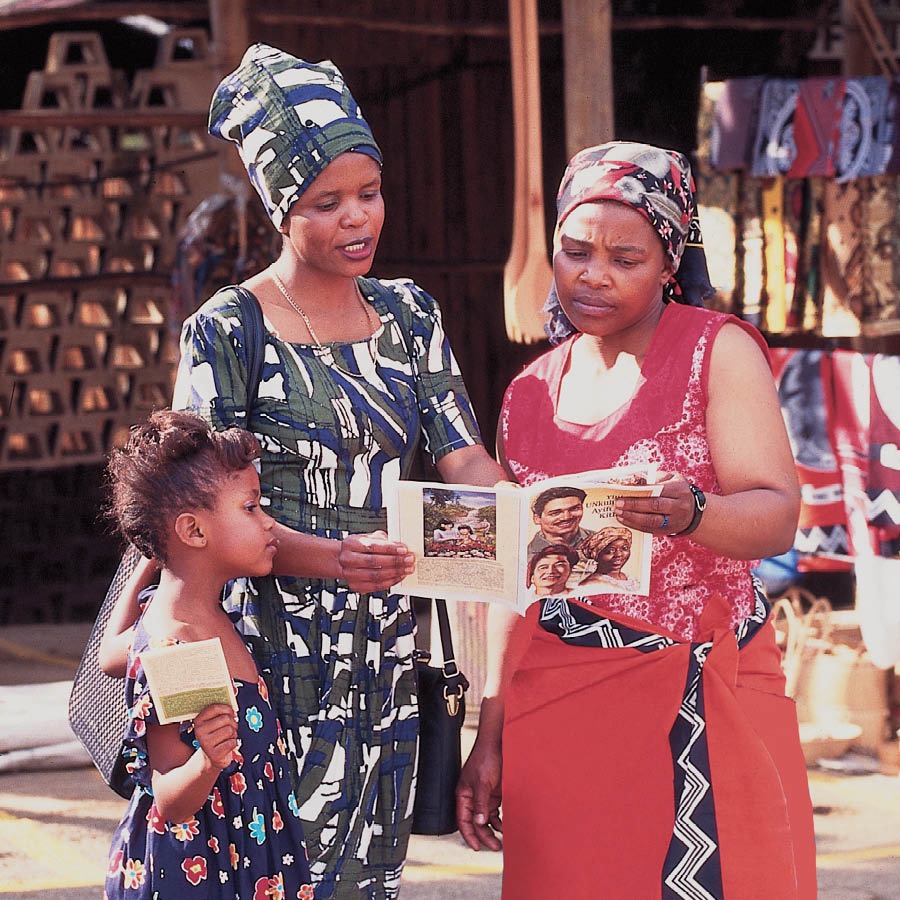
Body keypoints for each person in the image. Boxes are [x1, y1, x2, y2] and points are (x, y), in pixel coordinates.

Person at [106, 44, 505, 900]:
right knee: (267, 870)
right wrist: (333, 558)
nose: (357, 219)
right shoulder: (229, 330)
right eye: (326, 203)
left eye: (369, 194)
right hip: (266, 654)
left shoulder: (407, 314)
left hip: (384, 654)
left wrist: (534, 514)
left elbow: (461, 453)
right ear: (280, 206)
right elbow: (204, 512)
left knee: (370, 877)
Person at [456, 142, 816, 899]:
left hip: (706, 696)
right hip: (561, 707)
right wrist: (487, 737)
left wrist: (695, 513)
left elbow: (779, 517)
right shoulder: (528, 395)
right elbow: (516, 581)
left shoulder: (715, 352)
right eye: (575, 250)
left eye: (626, 257)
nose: (594, 274)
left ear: (667, 264)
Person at [103, 409, 314, 900]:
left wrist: (149, 556)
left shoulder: (195, 610)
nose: (268, 524)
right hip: (206, 873)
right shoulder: (177, 644)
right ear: (194, 532)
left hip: (244, 855)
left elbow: (113, 655)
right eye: (251, 508)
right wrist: (207, 763)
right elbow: (171, 800)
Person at [526, 485, 592, 554]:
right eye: (555, 513)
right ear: (537, 519)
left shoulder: (598, 538)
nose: (566, 517)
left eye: (574, 509)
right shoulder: (527, 553)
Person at [575, 525, 640, 592]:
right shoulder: (593, 584)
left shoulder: (628, 578)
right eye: (610, 551)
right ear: (596, 554)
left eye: (624, 548)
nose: (619, 554)